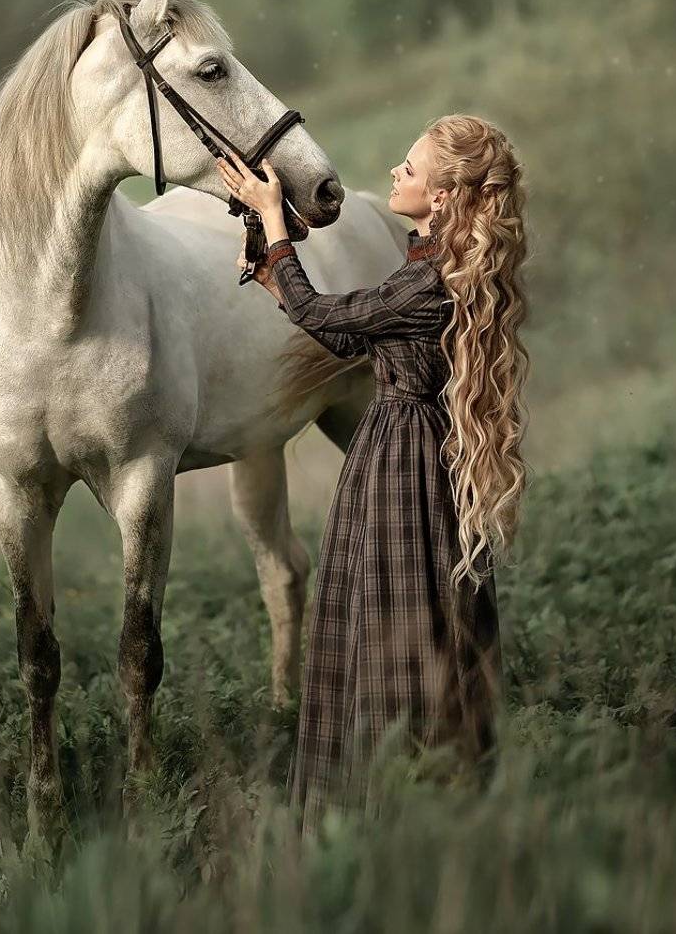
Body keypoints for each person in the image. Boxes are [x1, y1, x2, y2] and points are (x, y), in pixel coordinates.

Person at [215, 114, 530, 836]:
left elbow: (331, 313)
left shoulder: (430, 281)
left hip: (403, 465)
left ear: (446, 197)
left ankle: (390, 799)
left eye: (410, 168)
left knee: (392, 624)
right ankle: (427, 793)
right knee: (403, 620)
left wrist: (275, 224)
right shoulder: (436, 264)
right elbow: (340, 329)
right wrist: (270, 260)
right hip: (405, 452)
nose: (395, 173)